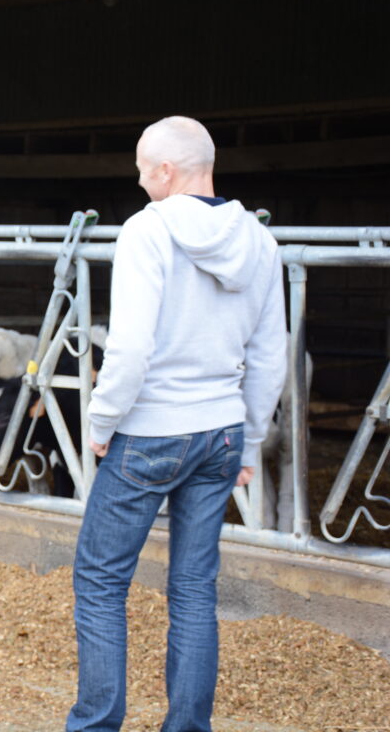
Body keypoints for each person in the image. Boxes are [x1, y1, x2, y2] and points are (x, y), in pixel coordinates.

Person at [68, 116, 287, 731]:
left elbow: (130, 347)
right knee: (194, 589)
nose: (139, 182)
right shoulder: (261, 242)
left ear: (165, 171)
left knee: (101, 582)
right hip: (219, 431)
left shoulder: (147, 231)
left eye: (142, 169)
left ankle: (95, 725)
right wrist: (250, 436)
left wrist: (102, 419)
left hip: (152, 429)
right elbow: (272, 353)